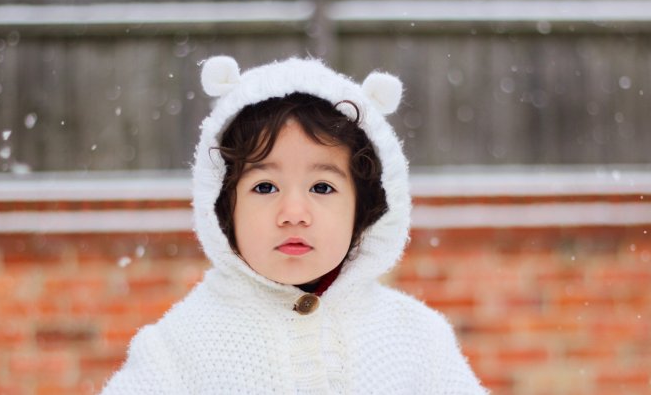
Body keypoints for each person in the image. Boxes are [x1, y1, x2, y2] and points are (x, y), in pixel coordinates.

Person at [100, 56, 487, 394]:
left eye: (322, 186)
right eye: (265, 186)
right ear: (223, 207)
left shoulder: (416, 338)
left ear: (364, 209)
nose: (294, 212)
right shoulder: (181, 346)